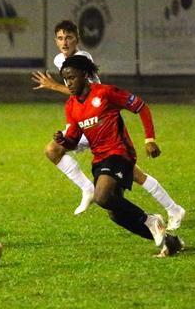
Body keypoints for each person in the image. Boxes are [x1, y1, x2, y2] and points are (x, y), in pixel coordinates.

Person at [33, 20, 185, 229]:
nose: (64, 42)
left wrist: (53, 85)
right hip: (82, 120)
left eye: (69, 37)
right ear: (55, 41)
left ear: (77, 39)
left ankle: (171, 209)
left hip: (99, 119)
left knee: (133, 173)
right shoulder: (60, 60)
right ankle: (89, 189)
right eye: (60, 38)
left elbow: (84, 91)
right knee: (53, 149)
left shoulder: (83, 59)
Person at [54, 54, 183, 257]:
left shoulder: (105, 93)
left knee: (102, 197)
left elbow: (141, 106)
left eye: (72, 78)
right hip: (99, 159)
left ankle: (151, 220)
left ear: (85, 75)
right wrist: (64, 141)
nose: (68, 83)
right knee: (116, 214)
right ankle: (170, 242)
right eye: (65, 79)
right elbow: (73, 138)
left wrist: (149, 139)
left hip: (119, 152)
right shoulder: (71, 105)